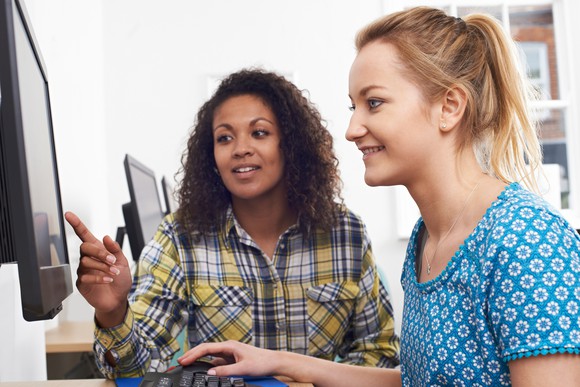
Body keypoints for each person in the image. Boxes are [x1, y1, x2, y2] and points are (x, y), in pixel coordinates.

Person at [179, 7, 580, 386]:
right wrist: (280, 361)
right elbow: (417, 381)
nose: (353, 128)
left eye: (374, 103)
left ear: (450, 106)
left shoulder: (526, 240)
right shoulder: (428, 237)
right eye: (354, 106)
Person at [65, 68, 400, 379]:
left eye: (259, 133)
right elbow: (139, 370)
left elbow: (380, 352)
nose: (241, 149)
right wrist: (114, 312)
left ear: (291, 145)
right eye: (224, 138)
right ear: (210, 154)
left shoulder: (345, 234)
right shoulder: (180, 237)